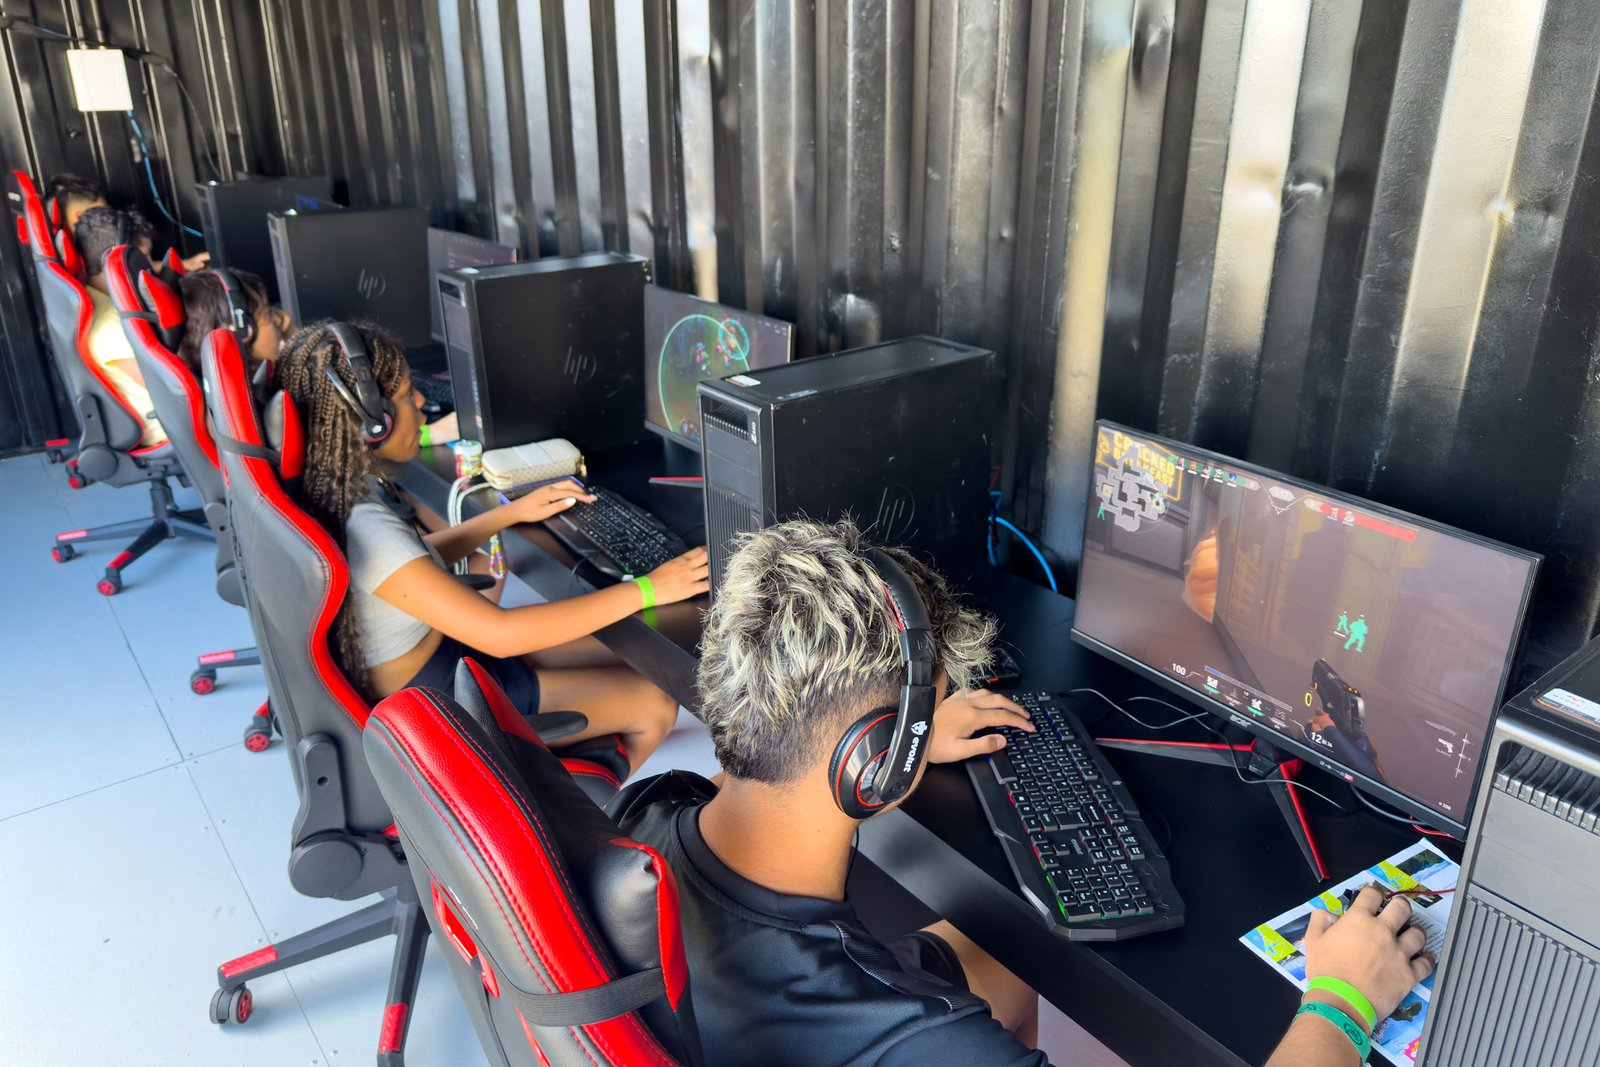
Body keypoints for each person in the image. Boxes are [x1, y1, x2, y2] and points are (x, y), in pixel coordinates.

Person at [609, 519, 1435, 1066]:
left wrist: (910, 730)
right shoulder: (911, 1033)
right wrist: (1341, 1000)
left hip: (727, 1012)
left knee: (1009, 959)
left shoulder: (652, 812)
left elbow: (778, 763)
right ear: (874, 759)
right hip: (825, 1029)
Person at [274, 320, 706, 773]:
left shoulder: (339, 491)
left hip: (443, 659)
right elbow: (501, 635)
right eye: (405, 395)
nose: (420, 401)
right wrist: (649, 588)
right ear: (374, 424)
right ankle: (563, 814)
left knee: (623, 649)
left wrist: (507, 514)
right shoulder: (368, 527)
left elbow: (410, 563)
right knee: (656, 703)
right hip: (438, 701)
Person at [73, 206, 168, 447]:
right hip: (167, 427)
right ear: (119, 260)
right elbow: (167, 385)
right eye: (144, 258)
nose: (149, 266)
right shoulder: (111, 327)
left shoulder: (98, 298)